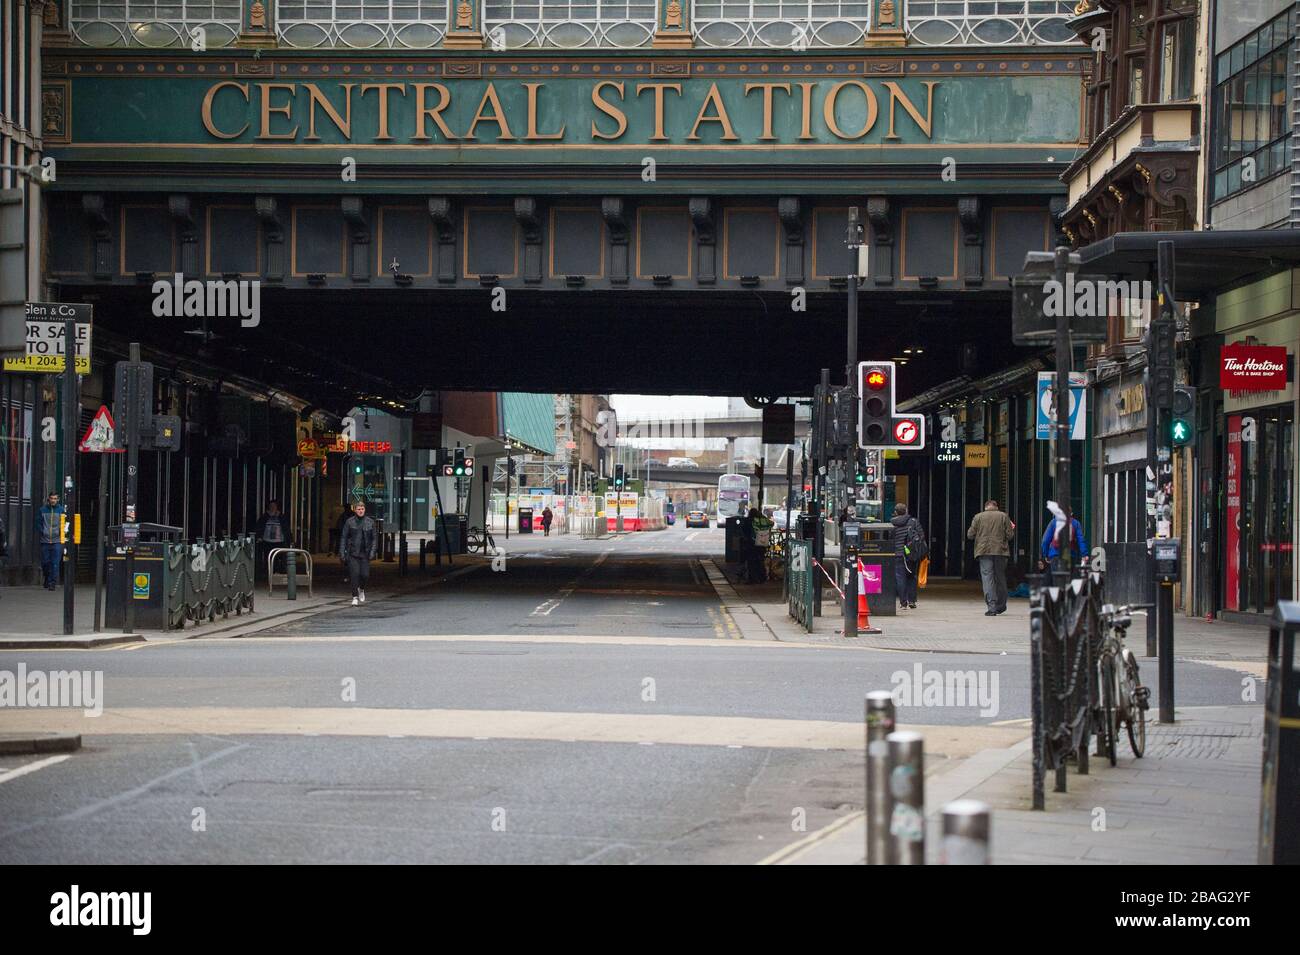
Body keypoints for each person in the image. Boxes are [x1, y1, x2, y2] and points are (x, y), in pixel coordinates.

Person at [968, 499, 1015, 616]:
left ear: (985, 507)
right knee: (1000, 577)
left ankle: (992, 607)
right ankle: (1001, 605)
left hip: (984, 551)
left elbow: (970, 535)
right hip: (1001, 551)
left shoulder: (978, 517)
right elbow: (1010, 536)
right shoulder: (1004, 516)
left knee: (987, 578)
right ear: (996, 507)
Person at [339, 500, 377, 606]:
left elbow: (374, 538)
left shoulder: (370, 522)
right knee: (354, 574)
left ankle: (362, 588)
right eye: (358, 509)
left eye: (362, 509)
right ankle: (354, 596)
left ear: (365, 510)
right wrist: (342, 552)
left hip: (365, 553)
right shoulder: (349, 522)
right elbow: (344, 537)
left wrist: (373, 552)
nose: (360, 511)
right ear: (355, 510)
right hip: (353, 553)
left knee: (365, 575)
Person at [891, 503, 925, 610]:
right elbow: (921, 536)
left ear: (896, 512)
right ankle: (912, 601)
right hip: (911, 554)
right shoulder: (913, 522)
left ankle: (903, 602)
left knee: (900, 578)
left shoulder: (892, 523)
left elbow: (890, 538)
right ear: (905, 511)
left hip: (898, 554)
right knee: (912, 576)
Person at [1040, 502, 1087, 576]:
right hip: (1070, 555)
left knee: (1056, 579)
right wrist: (1084, 554)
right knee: (1068, 580)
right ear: (1071, 513)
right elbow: (1081, 540)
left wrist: (1046, 554)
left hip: (1055, 555)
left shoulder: (1053, 522)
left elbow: (1045, 541)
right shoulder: (1076, 523)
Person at [36, 492, 65, 591]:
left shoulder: (61, 510)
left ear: (58, 499)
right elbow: (39, 522)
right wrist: (42, 531)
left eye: (55, 498)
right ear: (48, 499)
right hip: (45, 540)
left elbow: (65, 523)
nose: (53, 500)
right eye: (52, 498)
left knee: (55, 562)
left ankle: (52, 582)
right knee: (45, 562)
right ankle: (47, 577)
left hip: (57, 540)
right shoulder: (42, 510)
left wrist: (62, 533)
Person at [255, 499, 289, 575]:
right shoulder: (265, 517)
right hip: (267, 541)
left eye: (274, 506)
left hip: (279, 541)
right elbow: (259, 526)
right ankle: (269, 572)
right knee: (268, 557)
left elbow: (286, 528)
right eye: (271, 506)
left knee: (279, 556)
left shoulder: (281, 517)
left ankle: (278, 571)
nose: (272, 508)